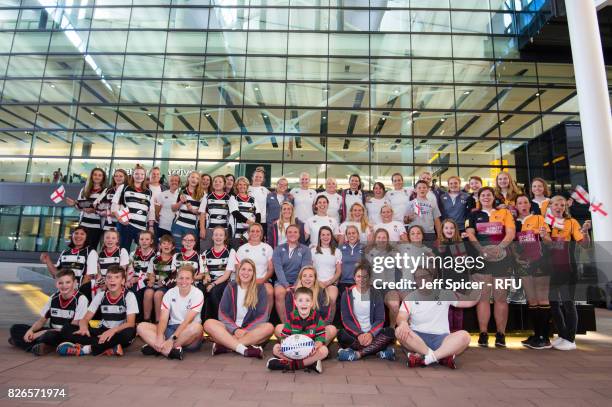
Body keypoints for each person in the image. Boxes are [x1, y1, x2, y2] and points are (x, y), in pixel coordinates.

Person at [395, 267, 478, 369]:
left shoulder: (445, 294)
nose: (423, 280)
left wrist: (478, 285)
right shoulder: (410, 298)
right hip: (417, 339)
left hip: (441, 339)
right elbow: (401, 317)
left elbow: (470, 301)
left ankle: (427, 357)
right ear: (415, 281)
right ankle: (438, 356)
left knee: (465, 336)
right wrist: (403, 323)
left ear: (432, 278)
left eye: (426, 276)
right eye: (419, 277)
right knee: (399, 331)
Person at [465, 186, 516, 348]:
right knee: (483, 297)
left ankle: (501, 334)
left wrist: (498, 248)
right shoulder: (473, 215)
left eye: (489, 195)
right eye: (483, 195)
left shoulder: (505, 213)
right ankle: (483, 333)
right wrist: (482, 250)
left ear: (494, 197)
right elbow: (471, 234)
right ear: (478, 198)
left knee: (501, 296)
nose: (486, 197)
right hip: (481, 259)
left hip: (502, 259)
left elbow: (510, 233)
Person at [57, 265, 138, 356]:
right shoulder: (101, 295)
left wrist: (112, 331)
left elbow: (130, 323)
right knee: (67, 328)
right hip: (101, 332)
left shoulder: (129, 296)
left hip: (118, 332)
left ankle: (87, 349)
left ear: (123, 281)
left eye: (116, 277)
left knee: (130, 332)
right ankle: (109, 347)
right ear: (105, 280)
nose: (112, 280)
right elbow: (85, 318)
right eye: (109, 277)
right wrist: (83, 327)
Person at [203, 259, 274, 358]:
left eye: (249, 270)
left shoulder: (260, 288)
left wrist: (245, 331)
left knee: (269, 328)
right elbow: (222, 313)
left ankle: (227, 345)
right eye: (243, 269)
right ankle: (244, 349)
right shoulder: (230, 287)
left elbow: (263, 315)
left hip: (250, 331)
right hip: (230, 329)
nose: (246, 272)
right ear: (238, 271)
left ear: (254, 273)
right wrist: (235, 330)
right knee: (208, 323)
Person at [9, 269, 88, 356]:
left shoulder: (81, 299)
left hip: (66, 335)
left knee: (49, 335)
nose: (64, 286)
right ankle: (44, 346)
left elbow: (73, 327)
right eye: (60, 283)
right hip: (50, 331)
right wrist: (31, 331)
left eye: (68, 282)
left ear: (74, 283)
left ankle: (27, 344)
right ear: (56, 284)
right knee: (15, 328)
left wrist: (41, 333)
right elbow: (41, 321)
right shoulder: (53, 298)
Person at [547, 195, 591, 351]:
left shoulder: (571, 223)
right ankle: (563, 334)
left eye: (562, 205)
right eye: (555, 204)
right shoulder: (547, 223)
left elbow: (585, 245)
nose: (559, 207)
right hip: (551, 270)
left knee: (568, 303)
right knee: (553, 303)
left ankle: (571, 339)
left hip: (568, 269)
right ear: (550, 206)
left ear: (565, 207)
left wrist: (585, 232)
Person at [137, 265, 204, 360]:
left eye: (187, 278)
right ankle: (169, 351)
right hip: (171, 329)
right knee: (141, 326)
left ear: (192, 280)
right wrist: (160, 336)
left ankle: (158, 347)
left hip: (188, 334)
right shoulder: (169, 293)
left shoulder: (198, 294)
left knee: (197, 327)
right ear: (176, 278)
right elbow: (163, 319)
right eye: (181, 278)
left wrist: (172, 339)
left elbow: (187, 321)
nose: (183, 281)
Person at [512, 195, 552, 349]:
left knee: (542, 298)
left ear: (530, 204)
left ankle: (544, 337)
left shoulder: (538, 219)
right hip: (523, 263)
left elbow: (548, 241)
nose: (523, 205)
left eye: (525, 202)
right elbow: (513, 245)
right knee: (531, 300)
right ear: (515, 205)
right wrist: (517, 258)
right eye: (519, 202)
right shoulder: (514, 223)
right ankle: (536, 335)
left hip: (541, 261)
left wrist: (543, 236)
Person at [337, 263, 395, 362]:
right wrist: (359, 334)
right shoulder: (347, 294)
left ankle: (358, 354)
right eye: (359, 276)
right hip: (355, 335)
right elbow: (346, 319)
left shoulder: (375, 293)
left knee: (390, 332)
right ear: (354, 277)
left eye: (365, 277)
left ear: (369, 278)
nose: (361, 279)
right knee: (341, 334)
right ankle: (378, 350)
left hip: (373, 334)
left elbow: (380, 319)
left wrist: (370, 334)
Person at [266, 287, 328, 373]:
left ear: (312, 303)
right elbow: (285, 336)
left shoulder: (317, 317)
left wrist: (316, 345)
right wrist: (283, 346)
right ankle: (309, 364)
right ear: (295, 302)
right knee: (276, 348)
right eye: (300, 300)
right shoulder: (291, 317)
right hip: (293, 351)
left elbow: (320, 338)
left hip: (309, 351)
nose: (304, 303)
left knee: (324, 350)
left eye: (307, 300)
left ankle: (291, 365)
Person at [278, 266, 336, 345]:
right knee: (279, 328)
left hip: (315, 331)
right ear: (300, 278)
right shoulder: (292, 293)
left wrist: (312, 329)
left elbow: (327, 318)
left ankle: (316, 348)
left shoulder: (322, 292)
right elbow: (288, 315)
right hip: (296, 331)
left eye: (311, 276)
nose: (307, 279)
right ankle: (293, 350)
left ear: (315, 279)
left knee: (332, 329)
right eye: (304, 276)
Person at [433, 219, 472, 333]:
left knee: (458, 310)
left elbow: (464, 264)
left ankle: (457, 336)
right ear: (442, 230)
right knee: (446, 310)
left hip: (459, 281)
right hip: (444, 282)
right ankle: (447, 336)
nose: (449, 230)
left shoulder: (460, 244)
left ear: (456, 230)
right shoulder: (438, 244)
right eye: (446, 228)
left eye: (452, 228)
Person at [40, 226, 98, 298]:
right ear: (72, 236)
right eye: (76, 233)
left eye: (82, 234)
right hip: (64, 293)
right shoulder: (65, 252)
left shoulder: (91, 252)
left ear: (87, 237)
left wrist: (76, 294)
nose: (78, 236)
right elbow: (56, 275)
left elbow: (89, 277)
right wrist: (48, 261)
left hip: (80, 294)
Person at [229, 223, 274, 314]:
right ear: (248, 233)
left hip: (263, 280)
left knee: (269, 291)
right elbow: (238, 268)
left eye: (258, 231)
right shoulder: (242, 249)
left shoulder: (268, 248)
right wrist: (247, 280)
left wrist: (263, 280)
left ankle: (266, 318)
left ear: (261, 233)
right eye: (252, 231)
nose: (255, 233)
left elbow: (271, 269)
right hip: (246, 280)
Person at [273, 224, 312, 323]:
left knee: (301, 294)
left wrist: (296, 285)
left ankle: (300, 323)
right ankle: (285, 323)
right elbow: (278, 269)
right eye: (290, 232)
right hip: (282, 281)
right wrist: (286, 285)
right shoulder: (278, 249)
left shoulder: (305, 250)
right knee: (279, 293)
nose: (292, 234)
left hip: (300, 280)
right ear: (286, 234)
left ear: (299, 235)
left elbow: (304, 270)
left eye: (295, 232)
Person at [112, 164, 156, 250]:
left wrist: (151, 227)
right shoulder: (124, 187)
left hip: (141, 228)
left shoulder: (149, 192)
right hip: (126, 225)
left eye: (142, 174)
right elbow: (114, 205)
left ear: (145, 176)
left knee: (142, 252)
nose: (139, 176)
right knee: (123, 251)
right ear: (133, 175)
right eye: (137, 174)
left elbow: (151, 211)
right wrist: (120, 219)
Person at [66, 167, 107, 249]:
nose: (97, 177)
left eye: (100, 175)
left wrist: (94, 210)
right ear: (91, 176)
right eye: (95, 175)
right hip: (83, 224)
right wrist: (74, 204)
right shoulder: (84, 190)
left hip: (97, 225)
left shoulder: (106, 191)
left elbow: (105, 207)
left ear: (103, 178)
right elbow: (79, 205)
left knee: (92, 249)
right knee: (80, 248)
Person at [201, 226, 235, 320]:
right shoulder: (205, 253)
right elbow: (205, 269)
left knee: (214, 292)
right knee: (199, 291)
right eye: (216, 235)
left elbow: (226, 275)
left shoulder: (230, 252)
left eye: (221, 235)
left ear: (225, 237)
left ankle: (219, 320)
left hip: (223, 281)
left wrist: (212, 284)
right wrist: (206, 276)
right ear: (212, 237)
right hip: (210, 280)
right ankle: (202, 321)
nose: (218, 237)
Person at [143, 235, 175, 322]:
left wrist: (164, 282)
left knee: (158, 295)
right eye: (164, 243)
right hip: (155, 283)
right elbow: (150, 273)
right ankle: (146, 319)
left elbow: (174, 275)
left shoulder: (174, 260)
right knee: (148, 293)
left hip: (167, 285)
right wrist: (151, 279)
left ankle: (159, 321)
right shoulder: (154, 259)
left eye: (169, 244)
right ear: (160, 246)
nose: (166, 246)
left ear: (173, 247)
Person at [311, 227, 341, 315]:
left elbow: (338, 271)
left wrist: (329, 282)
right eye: (323, 235)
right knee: (314, 300)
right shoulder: (313, 251)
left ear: (331, 236)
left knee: (332, 299)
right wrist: (318, 282)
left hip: (331, 283)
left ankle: (328, 323)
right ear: (319, 237)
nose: (325, 237)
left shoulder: (337, 251)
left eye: (328, 234)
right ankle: (315, 323)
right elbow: (310, 269)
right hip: (316, 282)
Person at [171, 171, 204, 250]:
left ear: (199, 181)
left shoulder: (202, 194)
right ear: (188, 178)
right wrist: (180, 202)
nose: (194, 179)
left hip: (192, 227)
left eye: (197, 178)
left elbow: (202, 212)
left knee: (189, 250)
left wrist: (192, 210)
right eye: (192, 177)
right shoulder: (180, 190)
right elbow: (173, 208)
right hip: (178, 225)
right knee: (177, 249)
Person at [91, 229, 129, 296]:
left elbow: (122, 272)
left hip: (117, 283)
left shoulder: (122, 251)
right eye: (107, 237)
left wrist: (109, 285)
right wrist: (102, 283)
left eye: (113, 238)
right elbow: (99, 274)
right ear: (103, 239)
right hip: (103, 284)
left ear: (117, 240)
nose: (110, 240)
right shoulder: (99, 254)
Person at [199, 174, 231, 252]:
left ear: (224, 184)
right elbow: (202, 213)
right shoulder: (207, 197)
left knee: (223, 253)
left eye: (220, 182)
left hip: (224, 230)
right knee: (205, 252)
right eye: (215, 181)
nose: (217, 183)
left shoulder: (230, 198)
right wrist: (202, 229)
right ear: (212, 184)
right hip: (210, 230)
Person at [228, 176, 261, 249]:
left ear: (247, 186)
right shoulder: (233, 198)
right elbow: (235, 213)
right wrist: (249, 222)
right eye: (240, 184)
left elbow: (258, 214)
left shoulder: (253, 199)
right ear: (236, 186)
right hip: (237, 233)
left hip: (251, 233)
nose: (242, 186)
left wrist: (255, 226)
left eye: (244, 184)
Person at [126, 230, 156, 310]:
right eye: (141, 239)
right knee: (130, 289)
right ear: (138, 241)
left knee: (140, 290)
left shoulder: (156, 255)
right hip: (134, 279)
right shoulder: (133, 254)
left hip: (148, 280)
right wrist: (128, 281)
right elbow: (130, 269)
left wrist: (138, 279)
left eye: (147, 239)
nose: (144, 242)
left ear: (151, 241)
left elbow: (152, 273)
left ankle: (140, 318)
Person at [338, 225, 365, 296]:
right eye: (349, 233)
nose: (351, 235)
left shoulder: (365, 247)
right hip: (344, 282)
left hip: (360, 282)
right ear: (346, 236)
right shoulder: (340, 248)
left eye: (353, 233)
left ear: (358, 235)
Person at [155, 174, 180, 240]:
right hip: (163, 226)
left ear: (179, 183)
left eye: (176, 180)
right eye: (171, 180)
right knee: (161, 246)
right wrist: (159, 219)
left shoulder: (182, 195)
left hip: (176, 227)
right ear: (168, 182)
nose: (174, 182)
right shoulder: (162, 194)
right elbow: (157, 210)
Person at [249, 167, 271, 234]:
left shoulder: (265, 190)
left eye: (260, 177)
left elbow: (276, 197)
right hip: (249, 221)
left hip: (262, 221)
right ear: (252, 177)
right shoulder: (246, 188)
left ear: (263, 179)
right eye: (256, 176)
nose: (258, 178)